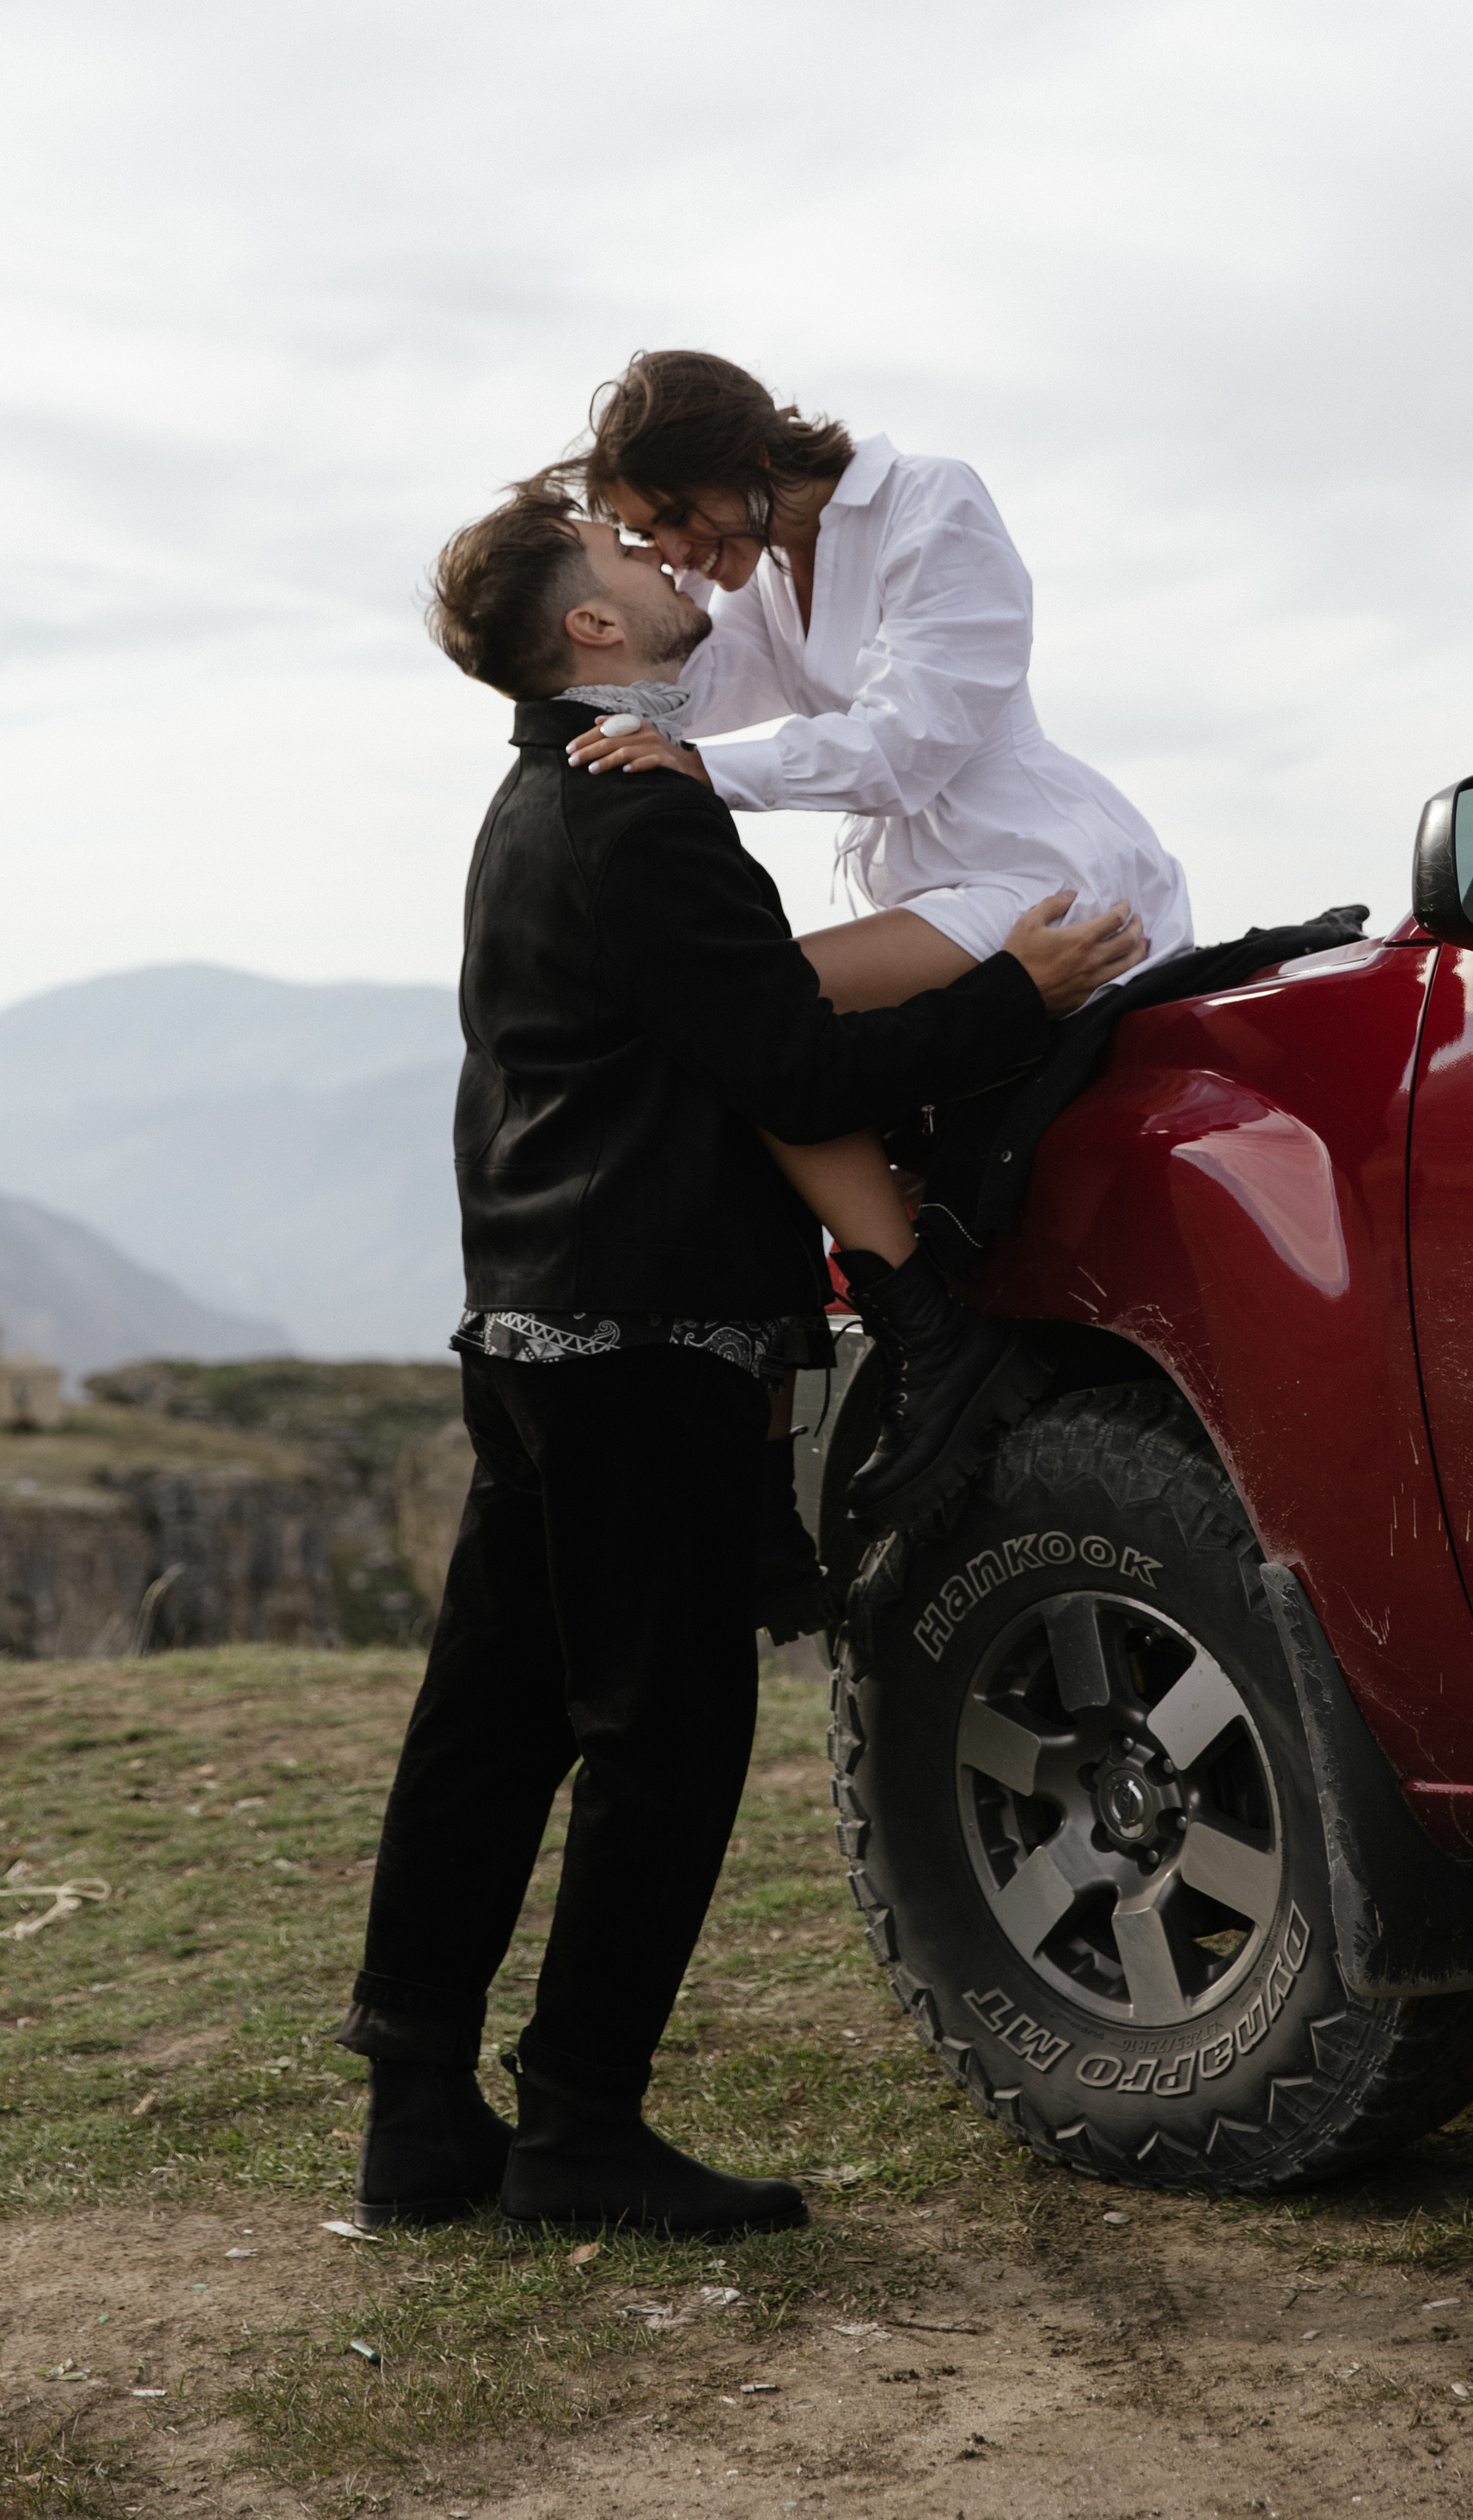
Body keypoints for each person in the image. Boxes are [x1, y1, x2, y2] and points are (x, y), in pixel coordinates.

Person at [339, 485, 1143, 2238]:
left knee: (492, 1720)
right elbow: (791, 1069)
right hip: (646, 1334)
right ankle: (578, 2128)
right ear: (589, 630)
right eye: (625, 558)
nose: (657, 566)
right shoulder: (642, 813)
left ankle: (416, 2111)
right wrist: (1012, 992)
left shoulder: (528, 804)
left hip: (531, 1322)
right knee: (665, 1737)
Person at [563, 348, 1191, 1519]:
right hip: (931, 888)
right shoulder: (763, 572)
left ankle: (928, 1339)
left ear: (750, 455)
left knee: (756, 1022)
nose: (679, 552)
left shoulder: (931, 504)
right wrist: (562, 649)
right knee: (752, 1038)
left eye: (680, 517)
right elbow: (692, 690)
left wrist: (701, 775)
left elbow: (911, 745)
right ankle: (861, 1339)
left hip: (1040, 876)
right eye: (650, 535)